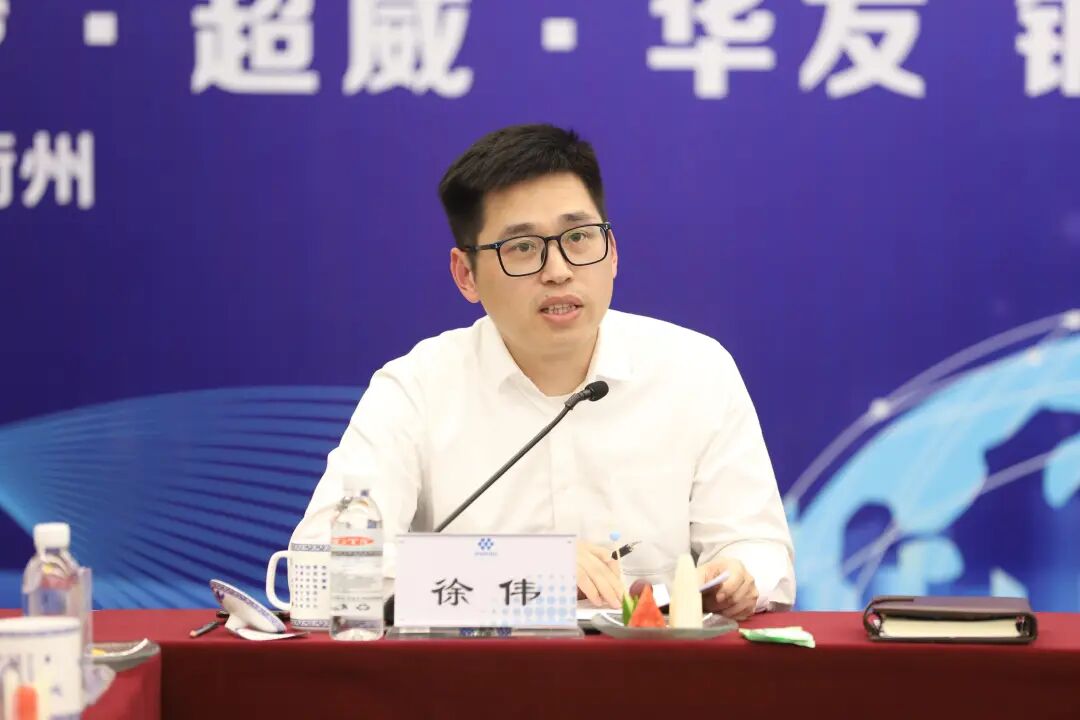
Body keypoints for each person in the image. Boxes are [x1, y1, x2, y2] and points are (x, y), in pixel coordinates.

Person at [307, 124, 794, 620]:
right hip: (477, 665)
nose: (558, 270)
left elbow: (760, 548)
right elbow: (325, 570)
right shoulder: (417, 389)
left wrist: (740, 575)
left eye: (579, 238)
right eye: (522, 247)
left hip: (651, 662)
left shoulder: (695, 370)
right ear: (466, 275)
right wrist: (521, 571)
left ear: (613, 252)